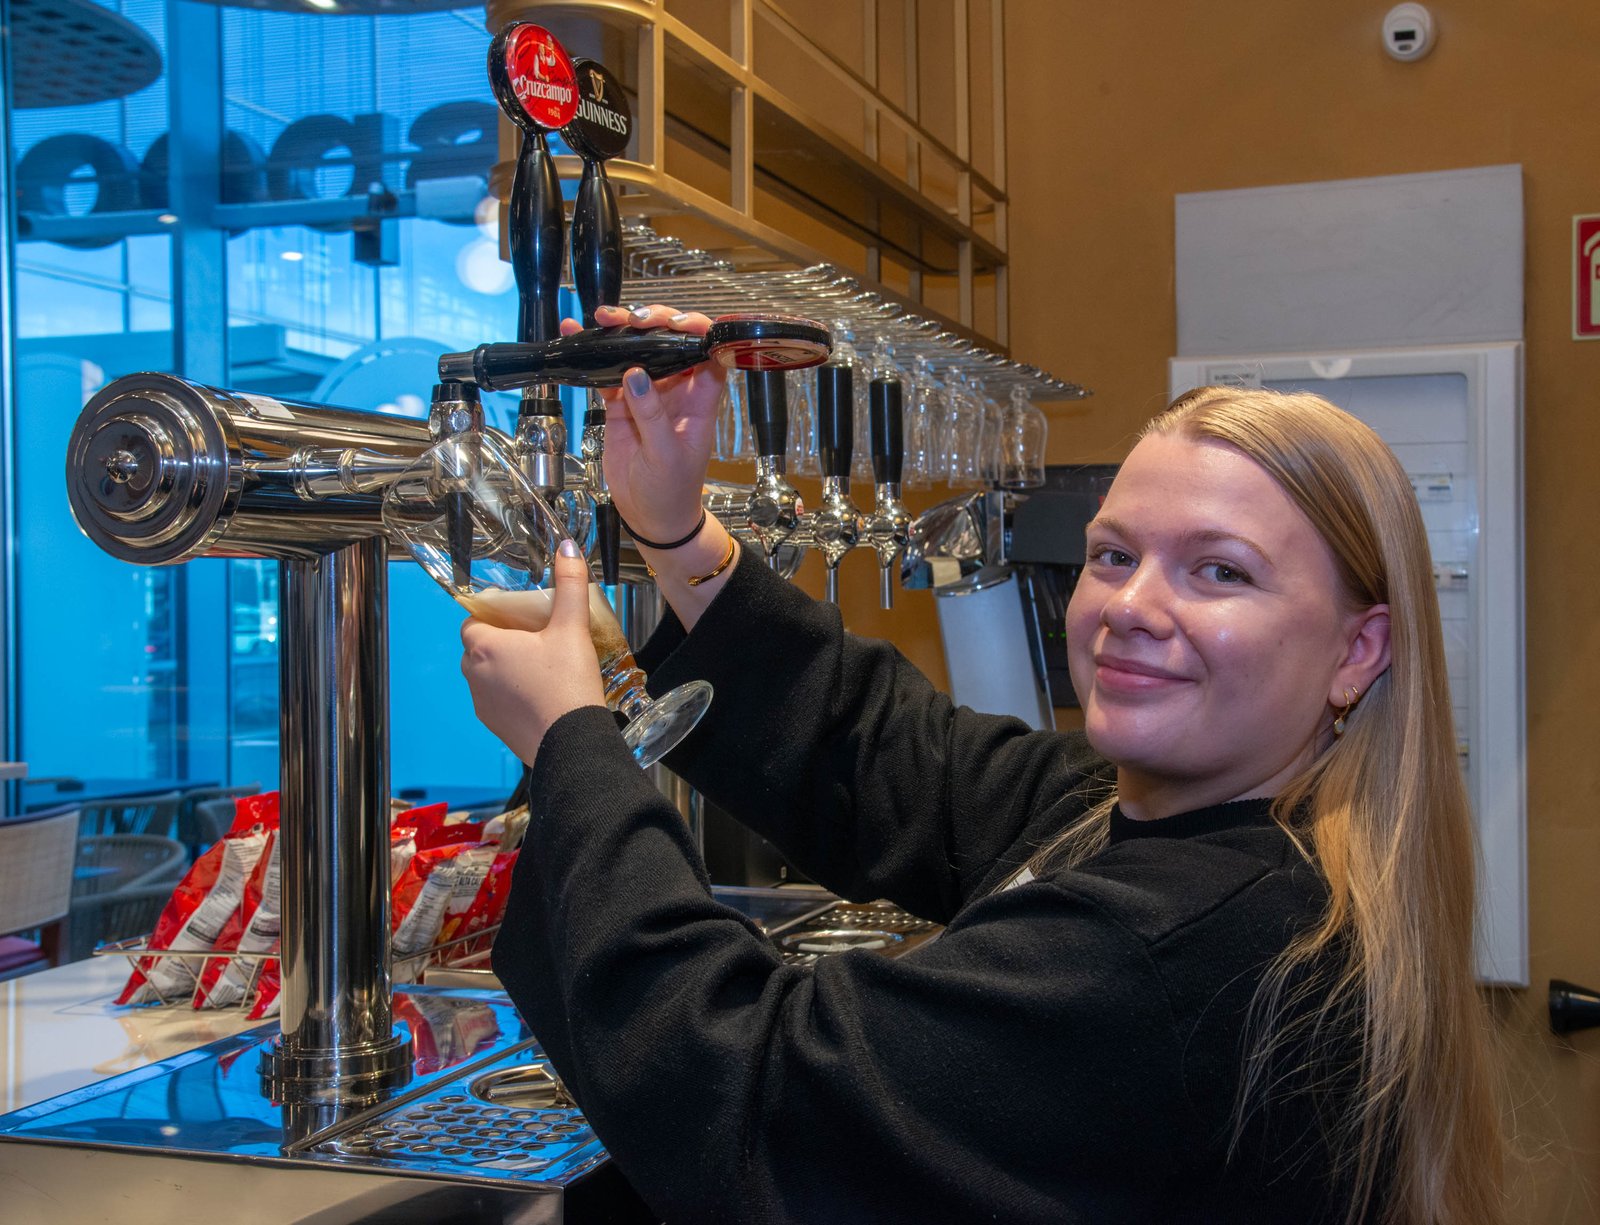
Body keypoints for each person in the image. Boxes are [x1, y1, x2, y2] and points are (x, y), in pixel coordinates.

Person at [461, 303, 1505, 1225]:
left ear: (1356, 650)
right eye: (1112, 553)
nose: (1131, 608)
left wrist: (572, 743)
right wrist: (677, 530)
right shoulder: (1227, 840)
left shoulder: (1167, 953)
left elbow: (749, 1088)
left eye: (1219, 571)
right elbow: (902, 760)